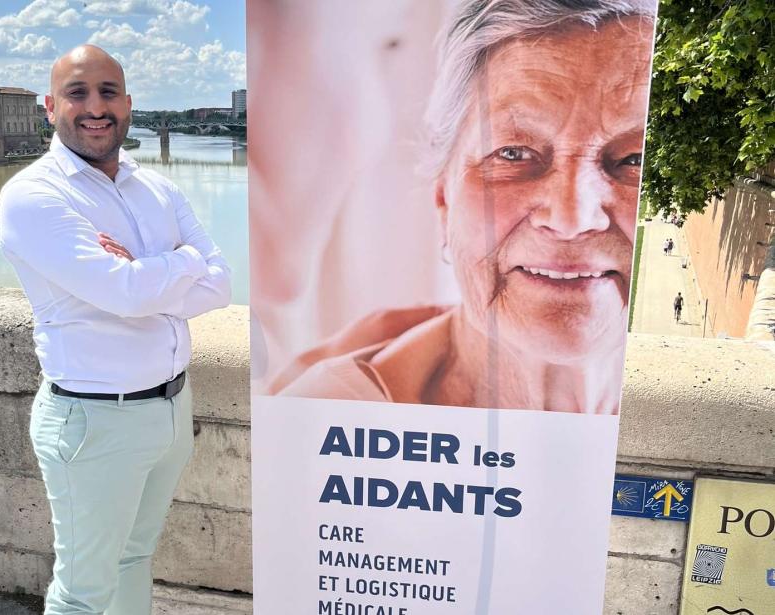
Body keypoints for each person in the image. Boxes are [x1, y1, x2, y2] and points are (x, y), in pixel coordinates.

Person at [277, 0, 655, 414]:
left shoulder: (688, 411)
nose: (572, 219)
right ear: (443, 201)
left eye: (634, 159)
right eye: (512, 153)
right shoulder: (328, 417)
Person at [0, 45, 231, 615]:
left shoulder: (156, 187)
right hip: (95, 420)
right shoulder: (34, 195)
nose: (95, 107)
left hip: (172, 409)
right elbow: (124, 294)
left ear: (128, 104)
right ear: (51, 107)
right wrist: (179, 263)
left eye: (108, 93)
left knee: (134, 559)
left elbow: (221, 283)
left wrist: (148, 271)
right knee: (82, 592)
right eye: (78, 93)